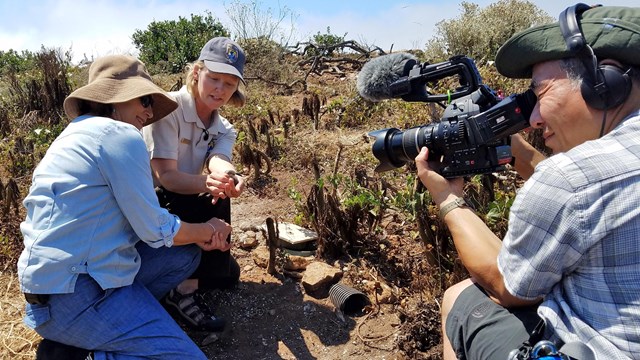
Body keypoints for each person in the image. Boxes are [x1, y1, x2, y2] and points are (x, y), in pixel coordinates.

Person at [415, 4, 640, 360]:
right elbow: (589, 202)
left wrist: (448, 199)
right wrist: (520, 155)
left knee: (461, 297)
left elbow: (510, 287)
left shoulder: (570, 179)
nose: (533, 118)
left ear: (605, 84)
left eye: (542, 92)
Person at [17, 54, 232, 359]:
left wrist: (196, 235)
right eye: (144, 100)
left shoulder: (72, 135)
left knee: (183, 255)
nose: (148, 112)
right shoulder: (120, 135)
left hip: (48, 290)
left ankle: (84, 337)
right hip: (78, 292)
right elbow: (155, 228)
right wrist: (206, 229)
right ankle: (101, 342)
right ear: (114, 99)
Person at [143, 37, 247, 331]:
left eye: (229, 84)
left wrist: (230, 177)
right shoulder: (168, 108)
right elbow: (167, 177)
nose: (220, 89)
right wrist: (209, 182)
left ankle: (193, 270)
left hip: (183, 196)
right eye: (214, 79)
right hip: (151, 203)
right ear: (196, 73)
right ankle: (184, 290)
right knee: (207, 192)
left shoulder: (223, 126)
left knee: (229, 275)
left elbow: (220, 159)